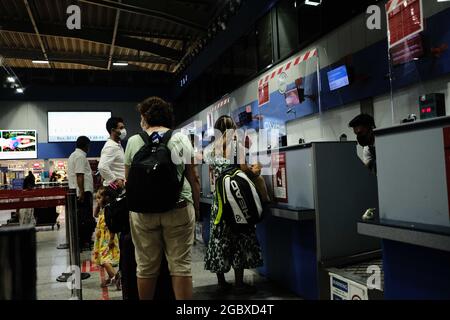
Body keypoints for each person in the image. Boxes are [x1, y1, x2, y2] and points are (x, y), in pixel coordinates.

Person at [125, 96, 200, 300]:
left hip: (142, 213)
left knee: (146, 267)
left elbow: (128, 181)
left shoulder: (133, 141)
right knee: (181, 266)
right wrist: (197, 209)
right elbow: (193, 178)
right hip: (179, 207)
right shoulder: (181, 138)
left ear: (145, 117)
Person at [204, 115, 263, 294]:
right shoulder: (237, 146)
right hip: (237, 199)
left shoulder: (209, 150)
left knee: (219, 239)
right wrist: (255, 170)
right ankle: (238, 284)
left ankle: (221, 282)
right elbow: (243, 169)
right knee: (240, 237)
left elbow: (213, 172)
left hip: (220, 200)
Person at [67, 136, 96, 249]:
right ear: (86, 145)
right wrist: (82, 192)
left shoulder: (73, 155)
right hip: (82, 192)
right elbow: (80, 175)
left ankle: (83, 240)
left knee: (80, 217)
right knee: (85, 217)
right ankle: (85, 241)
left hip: (78, 190)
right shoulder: (80, 156)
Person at [92, 186, 121, 289]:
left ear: (107, 198)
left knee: (105, 261)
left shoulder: (109, 210)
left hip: (108, 239)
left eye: (99, 198)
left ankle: (117, 279)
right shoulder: (103, 209)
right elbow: (95, 215)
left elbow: (112, 227)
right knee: (104, 259)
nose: (97, 200)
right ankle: (111, 277)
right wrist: (98, 205)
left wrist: (111, 240)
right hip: (101, 239)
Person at [98, 117, 126, 188]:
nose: (124, 130)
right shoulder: (110, 146)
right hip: (115, 188)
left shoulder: (117, 145)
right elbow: (102, 167)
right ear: (113, 130)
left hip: (120, 186)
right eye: (121, 128)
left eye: (124, 127)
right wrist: (115, 180)